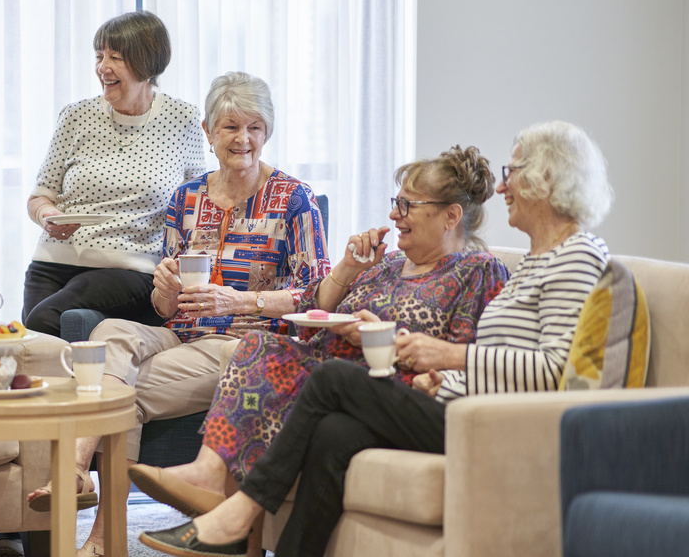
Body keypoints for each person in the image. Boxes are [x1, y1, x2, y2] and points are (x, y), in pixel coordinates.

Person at [140, 120, 614, 557]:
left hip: (477, 419)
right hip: (445, 398)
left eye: (514, 173)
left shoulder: (571, 257)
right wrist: (438, 370)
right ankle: (245, 517)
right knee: (332, 432)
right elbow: (495, 356)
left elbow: (557, 368)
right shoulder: (535, 262)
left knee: (331, 378)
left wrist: (446, 358)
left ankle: (238, 515)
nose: (503, 186)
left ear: (547, 179)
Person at [27, 71, 329, 557]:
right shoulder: (186, 198)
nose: (243, 139)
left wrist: (239, 301)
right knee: (109, 332)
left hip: (245, 346)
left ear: (267, 132)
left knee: (116, 390)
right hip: (181, 335)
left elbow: (316, 295)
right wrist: (164, 291)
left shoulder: (294, 198)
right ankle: (80, 476)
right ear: (208, 132)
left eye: (254, 127)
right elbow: (164, 307)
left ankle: (97, 530)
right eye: (230, 127)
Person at [128, 146, 510, 513]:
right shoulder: (388, 263)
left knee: (285, 369)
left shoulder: (478, 271)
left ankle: (223, 502)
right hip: (329, 365)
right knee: (259, 345)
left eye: (408, 205)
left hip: (382, 384)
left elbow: (461, 357)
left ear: (451, 216)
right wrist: (348, 268)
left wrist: (381, 337)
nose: (395, 215)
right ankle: (209, 474)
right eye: (396, 203)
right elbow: (315, 308)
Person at [24, 10, 206, 337]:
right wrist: (47, 215)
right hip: (53, 261)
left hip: (130, 266)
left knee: (41, 321)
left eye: (115, 58)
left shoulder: (183, 118)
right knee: (36, 346)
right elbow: (40, 196)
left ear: (147, 63)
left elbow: (196, 205)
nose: (102, 67)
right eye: (99, 56)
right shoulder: (76, 116)